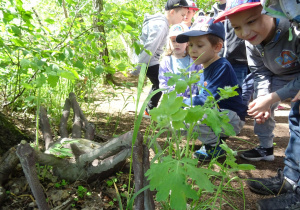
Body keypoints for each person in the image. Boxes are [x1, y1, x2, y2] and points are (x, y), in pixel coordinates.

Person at [214, 0, 300, 208]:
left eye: (251, 21)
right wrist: (264, 102)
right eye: (236, 27)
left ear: (271, 11)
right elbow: (260, 72)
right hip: (283, 77)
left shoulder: (293, 30)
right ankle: (291, 179)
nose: (244, 32)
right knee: (296, 124)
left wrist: (272, 98)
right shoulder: (252, 41)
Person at [176, 16, 248, 161]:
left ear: (217, 47)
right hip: (219, 114)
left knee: (186, 118)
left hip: (232, 118)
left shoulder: (222, 66)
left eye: (199, 46)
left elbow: (206, 100)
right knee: (181, 118)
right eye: (190, 45)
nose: (193, 50)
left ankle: (214, 148)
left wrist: (179, 102)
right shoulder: (204, 68)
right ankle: (216, 141)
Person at [130, 0, 189, 117]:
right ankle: (149, 110)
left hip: (147, 60)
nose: (183, 18)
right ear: (172, 12)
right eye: (182, 15)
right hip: (147, 61)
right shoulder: (161, 25)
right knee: (161, 82)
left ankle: (149, 110)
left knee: (158, 83)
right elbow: (150, 47)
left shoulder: (160, 23)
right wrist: (138, 67)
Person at [209, 0, 253, 106]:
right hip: (221, 57)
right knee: (218, 91)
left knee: (237, 92)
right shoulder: (215, 9)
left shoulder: (241, 3)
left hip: (239, 57)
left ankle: (237, 115)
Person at [158, 23, 203, 99]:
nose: (177, 44)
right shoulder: (166, 61)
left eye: (180, 41)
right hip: (173, 101)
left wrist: (196, 98)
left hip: (191, 101)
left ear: (187, 43)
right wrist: (177, 97)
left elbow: (200, 79)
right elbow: (163, 83)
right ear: (169, 42)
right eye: (174, 41)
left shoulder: (194, 60)